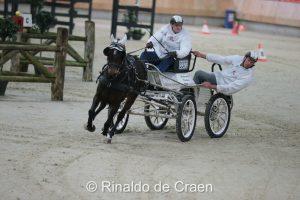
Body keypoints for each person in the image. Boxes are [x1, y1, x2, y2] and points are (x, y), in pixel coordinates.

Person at [192, 50, 258, 95]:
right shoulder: (238, 58)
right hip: (219, 76)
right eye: (249, 60)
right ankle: (197, 98)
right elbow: (222, 59)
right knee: (201, 77)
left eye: (252, 62)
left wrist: (212, 86)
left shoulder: (248, 76)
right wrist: (202, 55)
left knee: (199, 74)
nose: (249, 63)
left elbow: (232, 88)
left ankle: (192, 99)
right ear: (244, 58)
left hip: (224, 84)